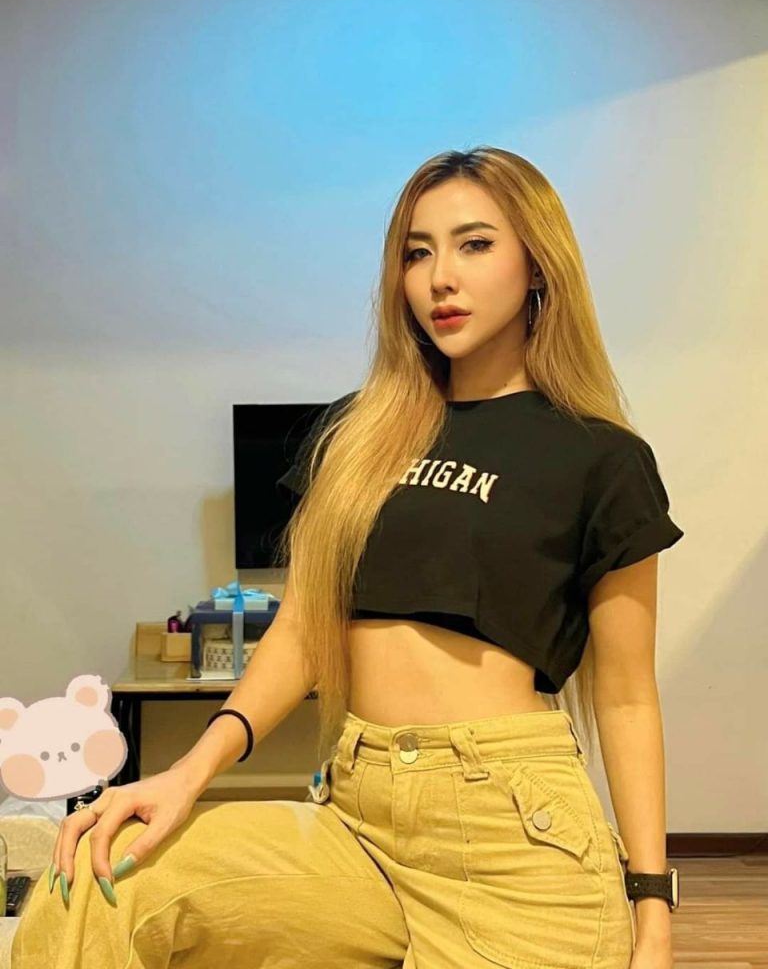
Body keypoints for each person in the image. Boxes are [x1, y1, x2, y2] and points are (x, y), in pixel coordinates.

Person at [13, 147, 683, 968]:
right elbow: (301, 634)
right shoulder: (358, 435)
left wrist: (653, 909)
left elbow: (626, 698)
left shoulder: (600, 458)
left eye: (474, 244)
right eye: (417, 252)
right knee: (97, 879)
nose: (440, 278)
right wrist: (186, 774)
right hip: (358, 818)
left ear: (538, 265)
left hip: (512, 834)